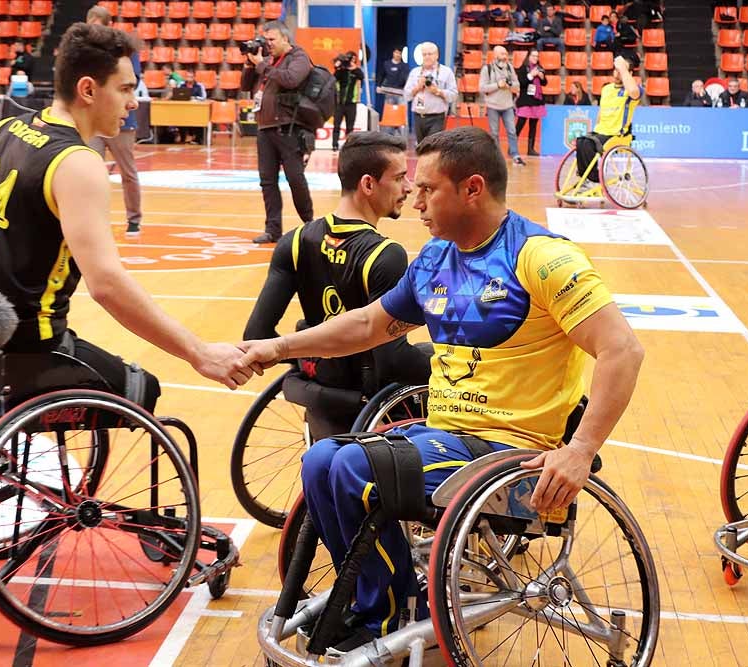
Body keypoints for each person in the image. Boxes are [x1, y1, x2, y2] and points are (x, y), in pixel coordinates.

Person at [238, 125, 644, 647]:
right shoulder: (434, 260)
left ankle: (381, 616)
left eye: (428, 189)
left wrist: (581, 450)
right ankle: (375, 602)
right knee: (320, 462)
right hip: (448, 441)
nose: (415, 202)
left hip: (512, 458)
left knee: (357, 471)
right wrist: (276, 349)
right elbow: (365, 326)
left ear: (472, 188)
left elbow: (623, 350)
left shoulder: (542, 258)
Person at [0, 23, 252, 410]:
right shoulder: (77, 163)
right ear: (88, 89)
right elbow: (106, 285)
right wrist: (198, 352)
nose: (134, 101)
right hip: (25, 346)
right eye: (124, 89)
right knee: (143, 391)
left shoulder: (6, 130)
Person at [244, 132, 432, 437]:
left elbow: (256, 335)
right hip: (367, 403)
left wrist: (312, 355)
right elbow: (392, 362)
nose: (408, 188)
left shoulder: (295, 241)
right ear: (368, 184)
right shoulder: (384, 254)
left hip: (321, 391)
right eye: (399, 178)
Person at [241, 20, 314, 244]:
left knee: (295, 179)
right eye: (266, 40)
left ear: (285, 38)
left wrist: (262, 64)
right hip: (264, 128)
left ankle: (310, 225)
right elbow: (245, 85)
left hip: (289, 129)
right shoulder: (268, 60)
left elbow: (291, 80)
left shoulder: (299, 57)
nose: (268, 44)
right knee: (267, 181)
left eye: (272, 40)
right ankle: (273, 229)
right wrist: (249, 63)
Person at [86, 4, 143, 236]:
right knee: (89, 171)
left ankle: (134, 219)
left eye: (98, 28)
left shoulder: (125, 50)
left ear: (108, 28)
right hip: (94, 121)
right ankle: (92, 217)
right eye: (91, 28)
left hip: (122, 121)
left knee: (128, 173)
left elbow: (133, 81)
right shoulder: (85, 53)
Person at [575, 55, 642, 186]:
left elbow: (634, 91)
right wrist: (595, 129)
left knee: (588, 144)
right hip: (601, 131)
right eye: (615, 70)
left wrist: (623, 68)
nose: (617, 73)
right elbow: (601, 112)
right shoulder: (606, 89)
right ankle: (586, 177)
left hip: (617, 134)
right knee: (581, 141)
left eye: (620, 71)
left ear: (630, 73)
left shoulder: (632, 90)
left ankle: (593, 180)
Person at [402, 42, 457, 149]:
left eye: (430, 54)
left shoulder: (446, 72)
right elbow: (406, 96)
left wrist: (438, 91)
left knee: (432, 149)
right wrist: (417, 87)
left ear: (437, 55)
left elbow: (454, 95)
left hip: (437, 117)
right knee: (421, 149)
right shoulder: (415, 72)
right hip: (419, 117)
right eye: (424, 54)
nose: (427, 57)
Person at [479, 46, 524, 165]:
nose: (505, 56)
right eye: (502, 54)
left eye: (505, 54)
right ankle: (497, 156)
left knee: (512, 130)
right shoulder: (487, 69)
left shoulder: (509, 68)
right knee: (494, 133)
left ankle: (515, 154)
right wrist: (498, 85)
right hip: (493, 105)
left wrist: (509, 85)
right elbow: (482, 88)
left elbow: (517, 85)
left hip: (507, 105)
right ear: (495, 55)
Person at [514, 49, 547, 156]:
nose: (535, 58)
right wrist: (531, 75)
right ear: (528, 56)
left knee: (533, 126)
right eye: (533, 56)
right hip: (525, 100)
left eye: (537, 56)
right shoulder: (523, 68)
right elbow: (522, 82)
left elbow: (544, 83)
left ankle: (530, 149)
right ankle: (513, 148)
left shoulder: (540, 68)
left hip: (536, 100)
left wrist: (542, 78)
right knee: (520, 124)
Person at [332, 51, 364, 151]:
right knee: (336, 125)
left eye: (354, 59)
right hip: (340, 103)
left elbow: (361, 76)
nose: (351, 61)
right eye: (351, 59)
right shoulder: (341, 71)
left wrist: (354, 68)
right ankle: (334, 144)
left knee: (350, 126)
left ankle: (348, 145)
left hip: (351, 103)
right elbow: (334, 78)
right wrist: (338, 67)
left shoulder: (356, 72)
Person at [375, 47, 408, 138]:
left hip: (400, 93)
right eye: (396, 52)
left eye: (399, 53)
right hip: (389, 92)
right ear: (393, 53)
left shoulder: (404, 66)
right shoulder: (386, 64)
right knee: (389, 114)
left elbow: (406, 79)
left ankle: (401, 135)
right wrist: (378, 85)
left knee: (401, 114)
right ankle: (388, 134)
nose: (398, 55)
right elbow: (381, 75)